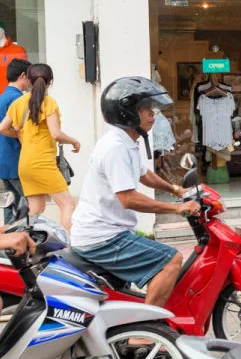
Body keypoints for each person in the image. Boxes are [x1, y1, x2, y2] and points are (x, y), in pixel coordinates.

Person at [70, 77, 201, 306]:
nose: (153, 115)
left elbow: (143, 174)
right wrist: (177, 208)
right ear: (127, 113)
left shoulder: (126, 141)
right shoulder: (116, 147)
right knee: (171, 260)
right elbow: (127, 199)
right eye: (146, 110)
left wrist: (175, 189)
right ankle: (144, 333)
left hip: (109, 233)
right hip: (104, 238)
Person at [0, 64, 80, 230]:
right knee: (68, 204)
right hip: (42, 163)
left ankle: (25, 247)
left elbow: (2, 128)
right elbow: (56, 133)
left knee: (35, 211)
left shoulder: (19, 103)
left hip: (25, 164)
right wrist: (73, 141)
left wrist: (21, 135)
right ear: (50, 82)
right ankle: (68, 248)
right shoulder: (48, 103)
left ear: (28, 80)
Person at [0, 59, 31, 223]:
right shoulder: (18, 100)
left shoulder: (3, 97)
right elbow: (20, 130)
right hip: (17, 160)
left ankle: (7, 246)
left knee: (11, 209)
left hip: (4, 161)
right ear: (23, 76)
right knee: (26, 208)